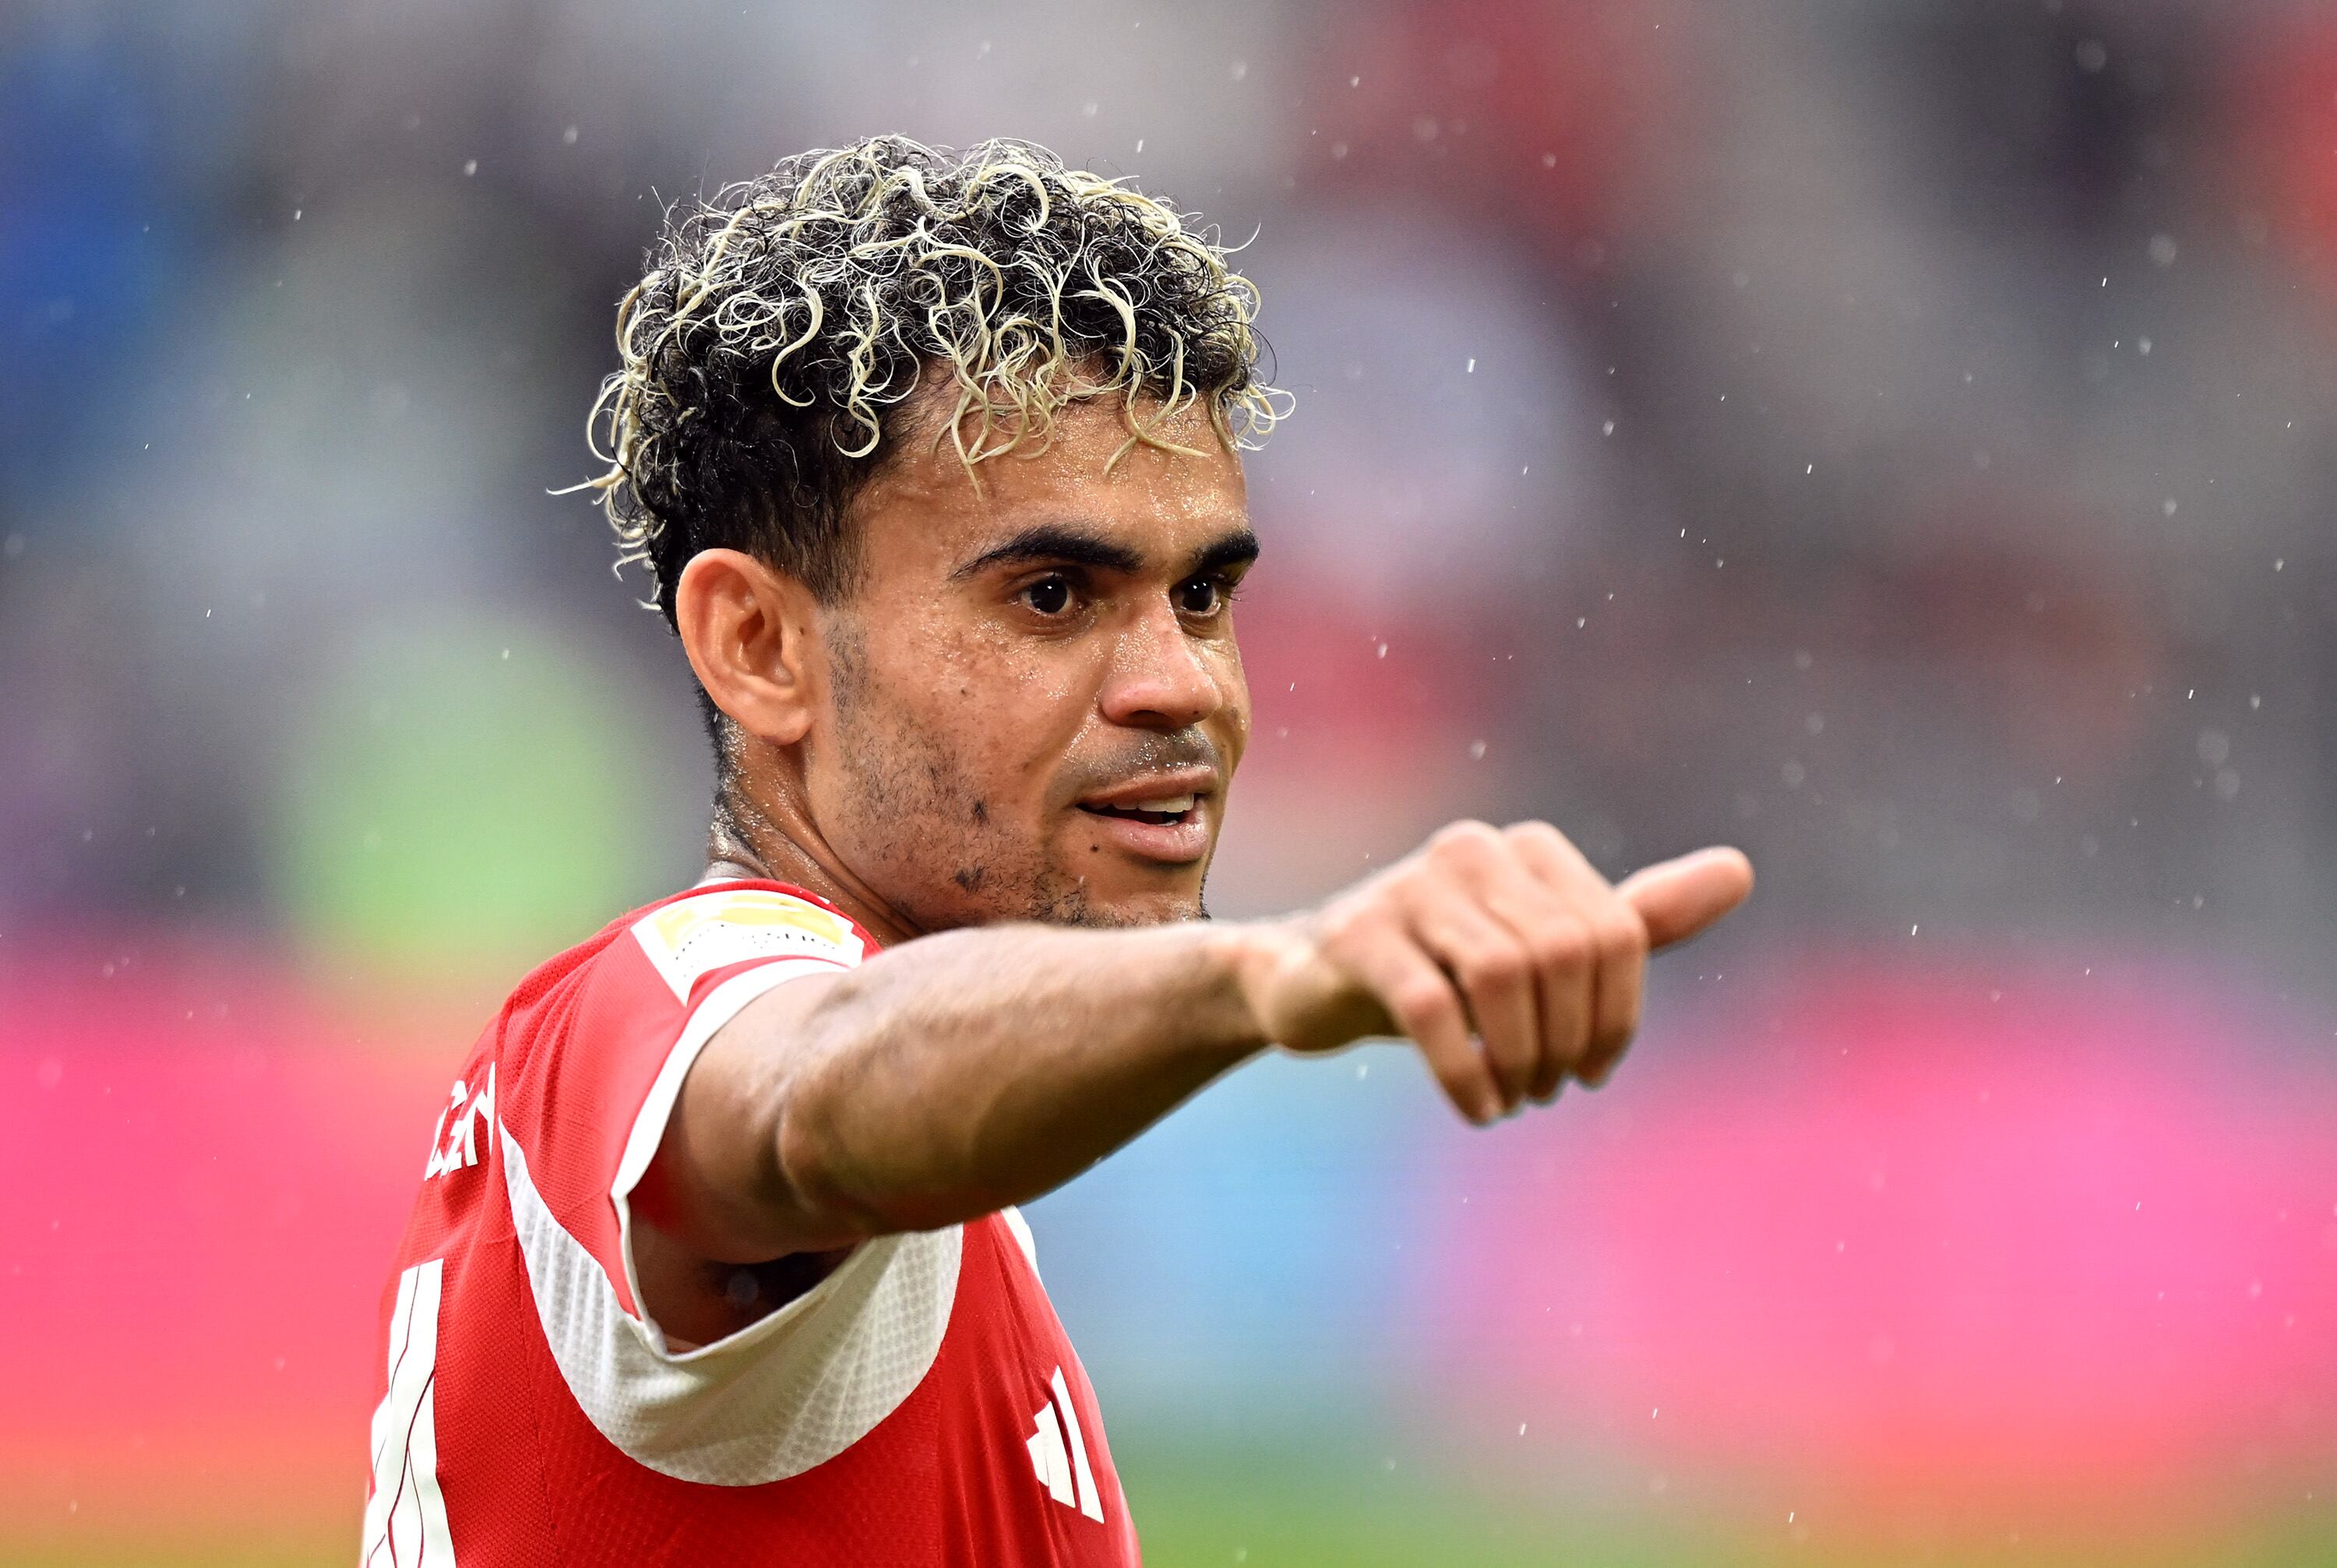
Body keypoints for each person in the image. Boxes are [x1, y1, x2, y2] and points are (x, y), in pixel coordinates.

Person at [359, 136, 1752, 1566]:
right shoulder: (664, 1003)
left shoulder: (934, 1219)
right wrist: (1271, 971)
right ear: (759, 645)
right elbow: (814, 1088)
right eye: (1051, 594)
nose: (1184, 684)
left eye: (1204, 594)